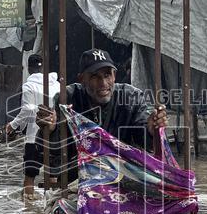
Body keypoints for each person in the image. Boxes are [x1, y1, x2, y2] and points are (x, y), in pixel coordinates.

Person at [36, 48, 167, 179]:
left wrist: (152, 131)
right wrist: (49, 131)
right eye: (94, 77)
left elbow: (146, 142)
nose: (103, 84)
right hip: (80, 175)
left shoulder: (130, 97)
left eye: (107, 75)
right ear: (82, 79)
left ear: (114, 75)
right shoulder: (68, 97)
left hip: (123, 176)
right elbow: (54, 150)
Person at [6, 53, 59, 200]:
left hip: (33, 138)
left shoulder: (28, 86)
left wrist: (13, 125)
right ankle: (51, 207)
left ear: (28, 68)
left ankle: (28, 212)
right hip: (54, 137)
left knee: (30, 175)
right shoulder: (57, 84)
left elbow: (28, 110)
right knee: (53, 175)